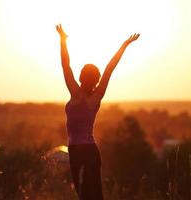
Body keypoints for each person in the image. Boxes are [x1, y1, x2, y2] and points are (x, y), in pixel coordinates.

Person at [56, 24, 140, 200]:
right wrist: (124, 45)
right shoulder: (97, 96)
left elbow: (65, 66)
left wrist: (63, 40)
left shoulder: (75, 93)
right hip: (90, 151)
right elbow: (110, 68)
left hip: (76, 151)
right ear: (97, 79)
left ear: (80, 77)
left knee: (84, 195)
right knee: (93, 195)